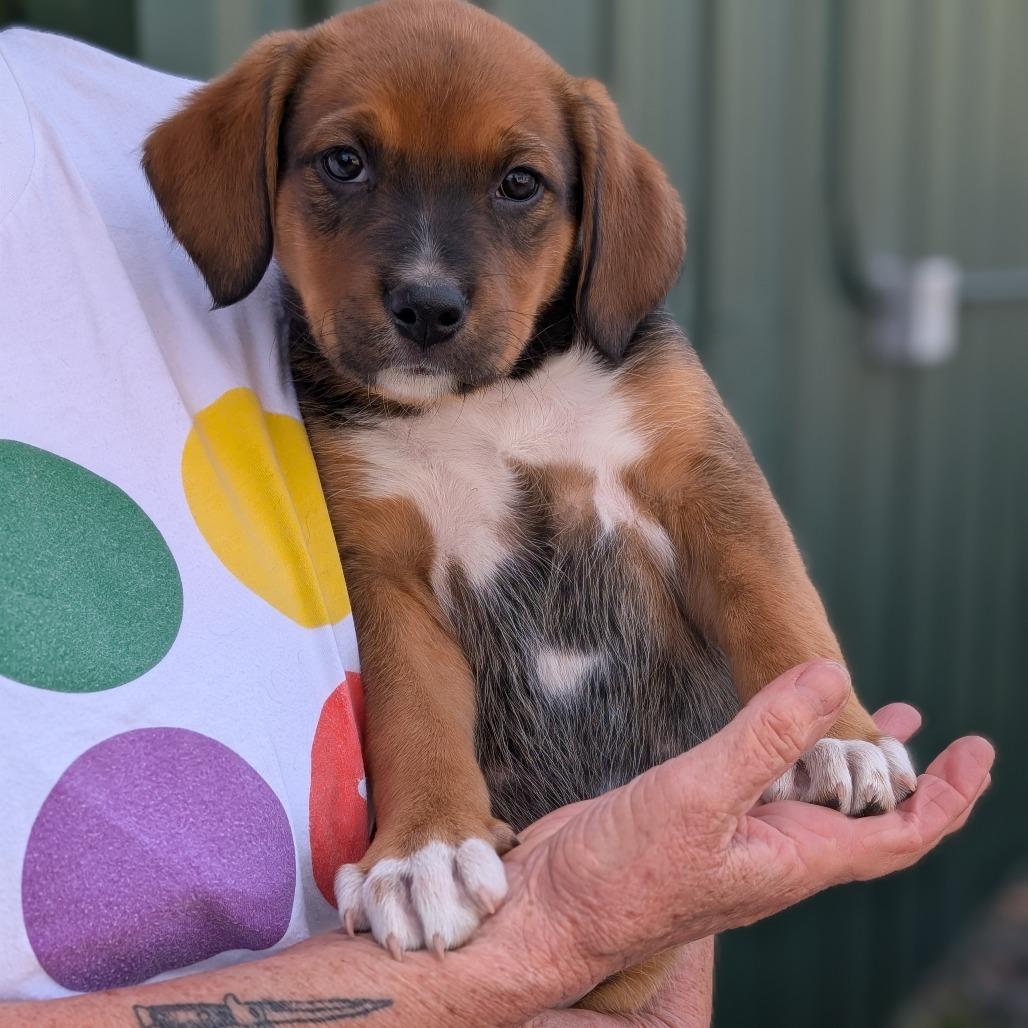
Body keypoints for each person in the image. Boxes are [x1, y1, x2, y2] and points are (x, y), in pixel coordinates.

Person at [0, 27, 993, 1028]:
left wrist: (819, 710)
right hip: (481, 918)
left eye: (515, 187)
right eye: (346, 167)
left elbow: (723, 525)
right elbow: (395, 609)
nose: (427, 274)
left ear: (592, 213)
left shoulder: (625, 367)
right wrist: (431, 821)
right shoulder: (332, 394)